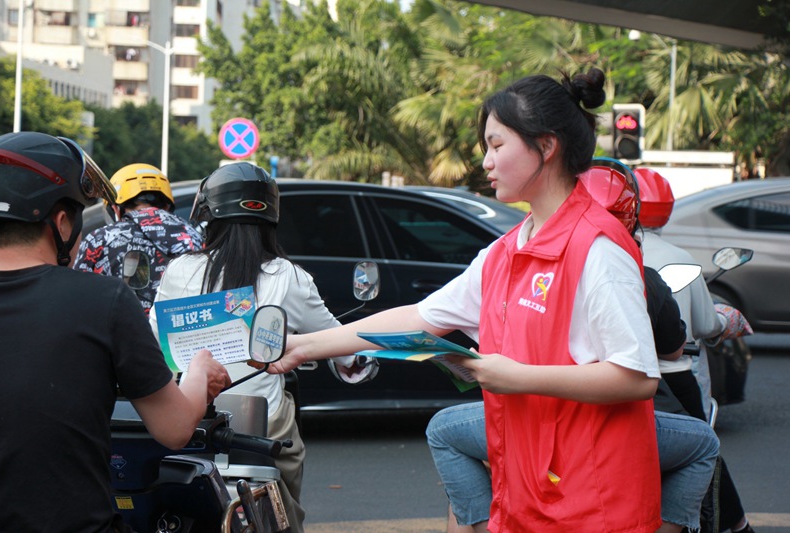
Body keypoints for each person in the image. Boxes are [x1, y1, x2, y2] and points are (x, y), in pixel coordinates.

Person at [267, 69, 662, 531]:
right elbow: (421, 317)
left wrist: (516, 376)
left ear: (546, 146)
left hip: (593, 503)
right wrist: (305, 345)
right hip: (529, 491)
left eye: (497, 146)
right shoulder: (506, 250)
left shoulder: (598, 249)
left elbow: (636, 378)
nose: (486, 163)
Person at [426, 166, 721, 533]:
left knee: (444, 431)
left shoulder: (579, 258)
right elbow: (668, 354)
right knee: (704, 442)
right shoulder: (523, 256)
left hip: (545, 418)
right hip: (559, 423)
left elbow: (631, 374)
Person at [0, 131, 231, 532]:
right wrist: (200, 370)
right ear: (61, 222)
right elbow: (173, 430)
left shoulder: (103, 265)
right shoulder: (103, 301)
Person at [148, 162, 372, 533]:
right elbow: (336, 341)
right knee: (287, 511)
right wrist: (352, 360)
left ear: (208, 215)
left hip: (190, 415)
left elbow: (154, 342)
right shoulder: (290, 276)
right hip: (262, 424)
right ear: (271, 219)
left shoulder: (180, 270)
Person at [636, 167, 755, 533]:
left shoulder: (605, 252)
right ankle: (735, 526)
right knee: (704, 452)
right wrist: (725, 321)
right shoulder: (680, 258)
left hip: (618, 376)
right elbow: (705, 326)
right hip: (676, 380)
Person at [73, 163, 202, 314]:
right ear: (167, 206)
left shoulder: (99, 240)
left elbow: (77, 298)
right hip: (182, 334)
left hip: (119, 335)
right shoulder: (194, 236)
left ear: (115, 209)